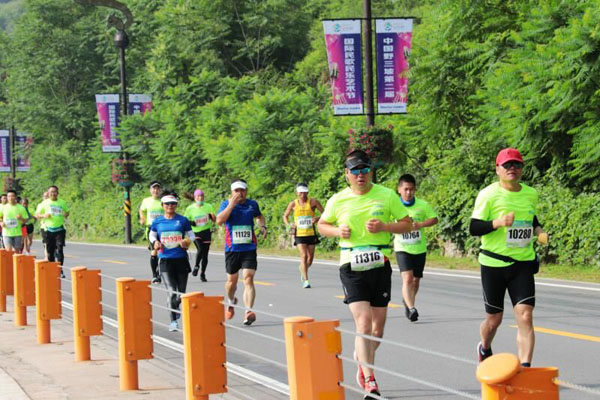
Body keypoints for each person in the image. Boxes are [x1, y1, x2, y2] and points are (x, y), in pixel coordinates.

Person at [318, 150, 412, 399]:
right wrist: (338, 232)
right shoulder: (338, 199)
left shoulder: (386, 195)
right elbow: (322, 225)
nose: (361, 175)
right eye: (355, 171)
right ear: (347, 174)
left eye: (365, 170)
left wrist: (385, 226)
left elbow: (407, 223)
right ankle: (370, 380)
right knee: (363, 323)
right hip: (351, 264)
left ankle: (362, 360)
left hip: (379, 264)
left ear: (371, 172)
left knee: (377, 331)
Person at [470, 148, 548, 367]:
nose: (512, 168)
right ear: (498, 169)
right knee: (494, 319)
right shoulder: (488, 194)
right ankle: (484, 346)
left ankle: (525, 368)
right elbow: (474, 227)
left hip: (522, 264)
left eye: (517, 164)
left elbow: (531, 219)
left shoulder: (530, 194)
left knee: (525, 316)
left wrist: (539, 232)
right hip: (493, 263)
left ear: (522, 169)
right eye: (507, 165)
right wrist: (498, 223)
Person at [216, 179, 266, 326]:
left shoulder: (252, 204)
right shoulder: (226, 204)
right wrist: (231, 205)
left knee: (248, 278)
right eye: (236, 191)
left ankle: (248, 311)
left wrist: (263, 226)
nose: (240, 193)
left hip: (249, 247)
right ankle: (231, 300)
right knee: (231, 282)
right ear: (232, 192)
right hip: (232, 249)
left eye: (242, 190)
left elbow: (259, 216)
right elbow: (219, 220)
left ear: (246, 191)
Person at [393, 174, 439, 322]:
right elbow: (386, 223)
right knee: (407, 278)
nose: (409, 192)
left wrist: (420, 224)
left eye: (411, 189)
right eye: (406, 189)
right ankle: (412, 308)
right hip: (402, 248)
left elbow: (434, 219)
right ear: (399, 189)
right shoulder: (394, 205)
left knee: (415, 281)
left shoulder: (422, 205)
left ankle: (407, 301)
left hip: (419, 248)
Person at [149, 190, 195, 332]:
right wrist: (155, 242)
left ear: (176, 205)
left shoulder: (182, 220)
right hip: (165, 260)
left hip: (181, 260)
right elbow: (152, 235)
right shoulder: (158, 221)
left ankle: (175, 306)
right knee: (172, 291)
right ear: (162, 205)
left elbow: (192, 235)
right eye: (167, 204)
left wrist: (186, 241)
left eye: (173, 204)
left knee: (181, 293)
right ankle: (173, 321)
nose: (170, 206)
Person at [283, 183, 324, 288]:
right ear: (297, 193)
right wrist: (289, 225)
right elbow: (285, 216)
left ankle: (303, 268)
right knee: (304, 256)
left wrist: (318, 218)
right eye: (301, 192)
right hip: (299, 234)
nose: (303, 195)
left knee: (310, 259)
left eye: (305, 192)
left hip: (311, 233)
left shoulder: (313, 202)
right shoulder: (293, 204)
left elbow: (325, 213)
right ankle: (306, 280)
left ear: (307, 192)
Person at [35, 185, 69, 277]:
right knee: (50, 251)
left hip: (60, 229)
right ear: (48, 193)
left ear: (57, 193)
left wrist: (66, 214)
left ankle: (60, 269)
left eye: (55, 192)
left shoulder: (62, 202)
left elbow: (67, 212)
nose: (53, 194)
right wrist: (44, 215)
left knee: (60, 249)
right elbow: (37, 214)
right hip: (48, 230)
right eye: (51, 192)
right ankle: (52, 268)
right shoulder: (44, 203)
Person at [184, 189, 216, 282]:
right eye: (198, 196)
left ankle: (203, 273)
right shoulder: (190, 208)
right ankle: (196, 266)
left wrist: (211, 216)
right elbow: (185, 221)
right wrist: (192, 222)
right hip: (195, 232)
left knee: (205, 255)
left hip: (206, 231)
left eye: (201, 196)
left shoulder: (209, 206)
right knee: (200, 249)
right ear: (195, 198)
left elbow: (214, 219)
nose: (200, 198)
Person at [139, 181, 164, 284]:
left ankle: (159, 272)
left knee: (162, 251)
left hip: (163, 228)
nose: (156, 190)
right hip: (151, 228)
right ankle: (155, 275)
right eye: (154, 188)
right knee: (154, 251)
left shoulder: (163, 201)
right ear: (150, 190)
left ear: (160, 190)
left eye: (158, 188)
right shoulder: (146, 201)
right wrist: (142, 218)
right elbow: (141, 210)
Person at [35, 191, 49, 258]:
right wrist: (44, 215)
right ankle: (47, 257)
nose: (46, 198)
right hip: (45, 227)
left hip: (55, 227)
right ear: (43, 197)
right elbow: (37, 215)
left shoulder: (54, 204)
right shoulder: (41, 205)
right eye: (45, 196)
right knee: (46, 244)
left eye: (48, 196)